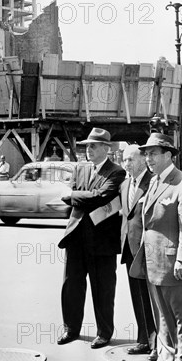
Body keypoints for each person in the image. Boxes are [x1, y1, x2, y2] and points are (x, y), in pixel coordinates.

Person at [130, 133, 182, 361]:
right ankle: (166, 357)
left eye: (153, 153)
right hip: (153, 262)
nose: (148, 158)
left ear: (169, 155)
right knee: (162, 315)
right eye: (146, 153)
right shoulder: (154, 182)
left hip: (174, 263)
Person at [57, 128, 126, 349]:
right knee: (72, 286)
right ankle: (71, 329)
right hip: (77, 237)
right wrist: (81, 197)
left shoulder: (116, 172)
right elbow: (90, 197)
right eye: (87, 145)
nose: (89, 149)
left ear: (106, 148)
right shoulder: (80, 168)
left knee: (103, 288)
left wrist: (72, 197)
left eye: (93, 145)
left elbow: (101, 197)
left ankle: (104, 332)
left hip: (102, 241)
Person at [120, 145, 157, 361]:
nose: (126, 164)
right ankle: (143, 339)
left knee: (152, 297)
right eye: (124, 160)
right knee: (137, 296)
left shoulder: (152, 181)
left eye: (130, 159)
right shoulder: (125, 184)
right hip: (129, 248)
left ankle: (156, 343)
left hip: (146, 249)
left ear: (143, 160)